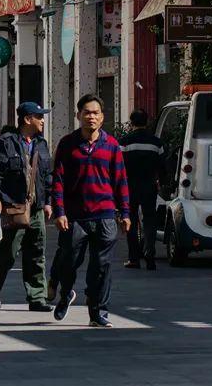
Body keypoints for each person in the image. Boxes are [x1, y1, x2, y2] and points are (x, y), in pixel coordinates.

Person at [52, 94, 130, 328]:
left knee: (101, 266)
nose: (91, 117)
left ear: (102, 117)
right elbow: (58, 180)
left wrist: (125, 212)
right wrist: (59, 211)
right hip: (75, 217)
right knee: (68, 261)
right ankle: (66, 292)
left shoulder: (112, 145)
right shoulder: (67, 144)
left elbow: (121, 181)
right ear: (78, 115)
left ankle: (98, 312)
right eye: (86, 112)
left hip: (105, 215)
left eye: (95, 113)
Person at [0, 102, 54, 313]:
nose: (42, 120)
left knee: (37, 252)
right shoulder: (6, 143)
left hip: (37, 207)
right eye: (38, 116)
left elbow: (47, 176)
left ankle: (37, 297)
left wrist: (48, 201)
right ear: (27, 119)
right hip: (14, 206)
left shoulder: (41, 144)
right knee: (8, 253)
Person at [118, 109, 165, 270]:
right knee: (149, 220)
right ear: (147, 122)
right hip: (149, 186)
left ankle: (134, 258)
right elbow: (163, 167)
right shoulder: (156, 143)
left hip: (129, 187)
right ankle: (150, 256)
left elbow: (118, 167)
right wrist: (163, 183)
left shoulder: (124, 142)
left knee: (130, 220)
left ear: (131, 123)